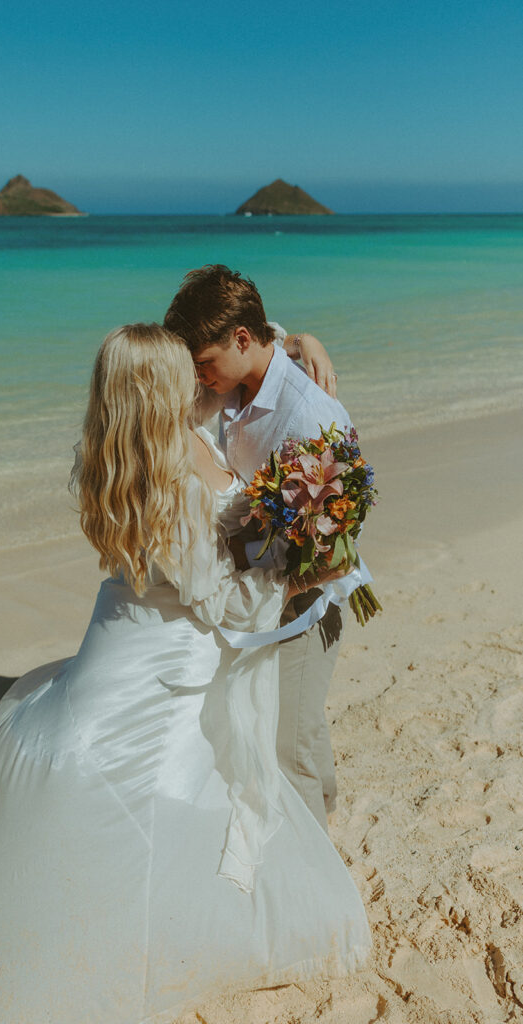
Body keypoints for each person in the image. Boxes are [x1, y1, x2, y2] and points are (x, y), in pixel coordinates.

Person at [0, 324, 370, 1024]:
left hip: (120, 627)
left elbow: (240, 348)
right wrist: (306, 571)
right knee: (168, 786)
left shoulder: (115, 451)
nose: (202, 384)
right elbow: (222, 601)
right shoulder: (173, 483)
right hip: (174, 651)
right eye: (184, 375)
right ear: (160, 391)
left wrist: (297, 342)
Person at [165, 266, 367, 832]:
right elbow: (273, 333)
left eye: (204, 364)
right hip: (259, 584)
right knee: (300, 721)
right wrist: (302, 339)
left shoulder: (310, 416)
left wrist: (272, 595)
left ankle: (316, 873)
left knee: (289, 740)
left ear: (242, 341)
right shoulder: (233, 378)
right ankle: (327, 804)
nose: (200, 378)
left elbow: (338, 552)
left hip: (304, 597)